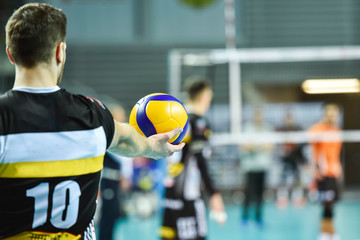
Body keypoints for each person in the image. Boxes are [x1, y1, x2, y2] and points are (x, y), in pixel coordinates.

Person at [0, 3, 184, 240]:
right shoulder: (93, 116)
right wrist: (153, 148)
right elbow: (127, 139)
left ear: (10, 54)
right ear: (60, 51)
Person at [159, 77, 226, 240]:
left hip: (170, 192)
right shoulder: (198, 121)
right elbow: (200, 160)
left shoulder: (176, 119)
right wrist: (215, 194)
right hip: (189, 194)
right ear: (203, 97)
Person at [98, 104, 133, 240]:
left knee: (113, 214)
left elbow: (126, 159)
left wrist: (126, 176)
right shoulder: (106, 137)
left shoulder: (121, 138)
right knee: (107, 216)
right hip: (106, 182)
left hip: (115, 182)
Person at [309, 103, 342, 240]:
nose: (332, 116)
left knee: (332, 205)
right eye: (329, 113)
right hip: (323, 174)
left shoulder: (337, 130)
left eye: (334, 113)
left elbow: (336, 153)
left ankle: (331, 233)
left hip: (335, 173)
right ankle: (325, 233)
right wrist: (314, 169)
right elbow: (312, 150)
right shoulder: (317, 129)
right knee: (326, 205)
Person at [240, 107, 274, 228]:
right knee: (248, 193)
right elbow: (244, 146)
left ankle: (258, 218)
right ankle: (244, 217)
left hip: (263, 167)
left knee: (260, 194)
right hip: (250, 167)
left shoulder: (267, 128)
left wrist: (254, 146)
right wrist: (259, 146)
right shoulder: (247, 128)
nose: (259, 118)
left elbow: (270, 146)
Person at [276, 111, 306, 209]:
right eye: (287, 118)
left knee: (297, 178)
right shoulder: (281, 130)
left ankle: (297, 196)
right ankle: (282, 197)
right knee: (283, 178)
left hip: (295, 160)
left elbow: (302, 146)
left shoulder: (298, 129)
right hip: (284, 160)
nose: (289, 120)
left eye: (291, 118)